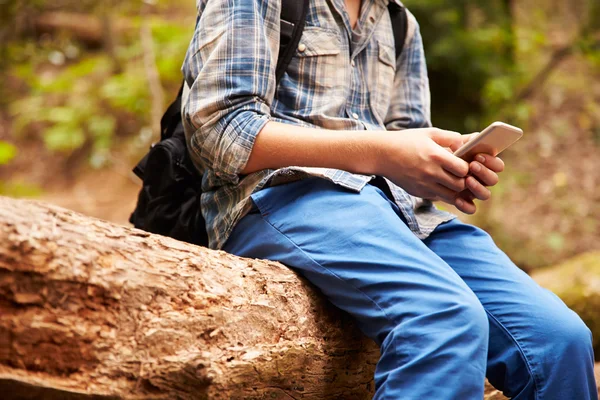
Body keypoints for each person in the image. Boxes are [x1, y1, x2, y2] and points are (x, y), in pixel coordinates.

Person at [181, 0, 597, 398]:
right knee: (443, 319)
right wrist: (380, 152)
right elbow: (221, 129)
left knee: (560, 340)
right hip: (286, 196)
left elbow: (407, 138)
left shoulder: (400, 23)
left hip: (403, 216)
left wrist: (443, 171)